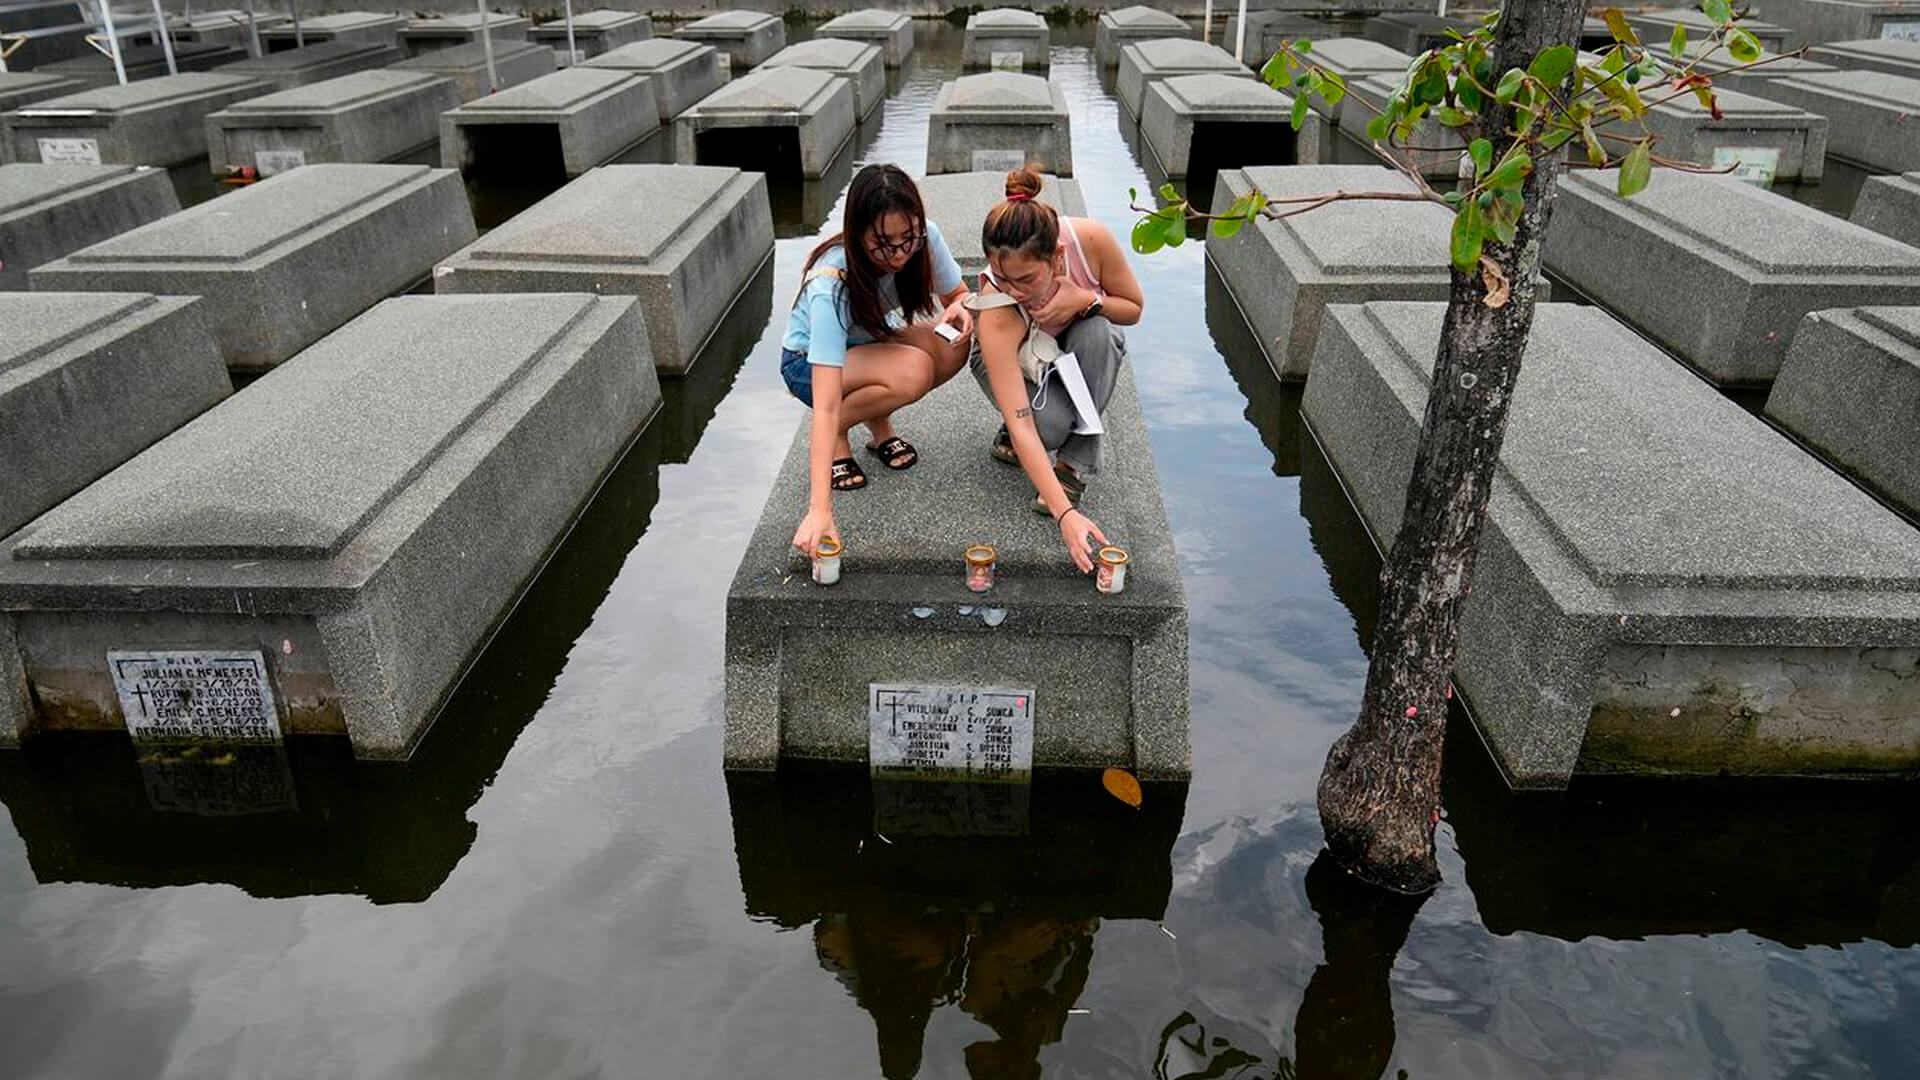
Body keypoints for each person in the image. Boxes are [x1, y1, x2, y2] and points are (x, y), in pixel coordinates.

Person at [784, 163, 974, 559]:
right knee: (913, 371)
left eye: (908, 237)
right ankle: (839, 438)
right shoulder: (830, 283)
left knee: (954, 343)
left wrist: (960, 308)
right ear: (857, 232)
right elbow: (826, 402)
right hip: (808, 365)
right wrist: (820, 511)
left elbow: (958, 294)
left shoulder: (924, 238)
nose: (900, 253)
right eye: (885, 242)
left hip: (872, 339)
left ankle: (879, 425)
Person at [968, 165, 1145, 573]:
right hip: (1018, 360)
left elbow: (1133, 308)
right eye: (1003, 278)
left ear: (1058, 256)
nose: (1015, 291)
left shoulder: (1090, 241)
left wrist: (1085, 300)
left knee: (1101, 334)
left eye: (1026, 279)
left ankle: (1072, 465)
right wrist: (1067, 517)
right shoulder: (998, 311)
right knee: (1043, 427)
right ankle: (1019, 433)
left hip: (1074, 343)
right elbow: (1025, 426)